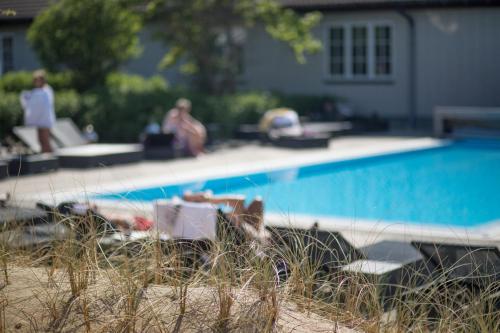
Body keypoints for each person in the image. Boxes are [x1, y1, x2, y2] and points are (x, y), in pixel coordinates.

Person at [182, 191, 264, 230]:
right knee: (257, 202)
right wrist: (210, 199)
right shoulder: (202, 215)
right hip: (242, 231)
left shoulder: (215, 213)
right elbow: (239, 201)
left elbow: (239, 202)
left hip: (241, 226)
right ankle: (259, 231)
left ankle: (259, 230)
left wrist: (206, 199)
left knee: (258, 201)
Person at [20, 70, 56, 153]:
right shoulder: (38, 91)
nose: (36, 82)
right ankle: (45, 158)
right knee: (40, 140)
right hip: (39, 120)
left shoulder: (47, 90)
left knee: (45, 140)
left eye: (38, 80)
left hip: (45, 120)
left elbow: (44, 104)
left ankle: (50, 160)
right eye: (35, 80)